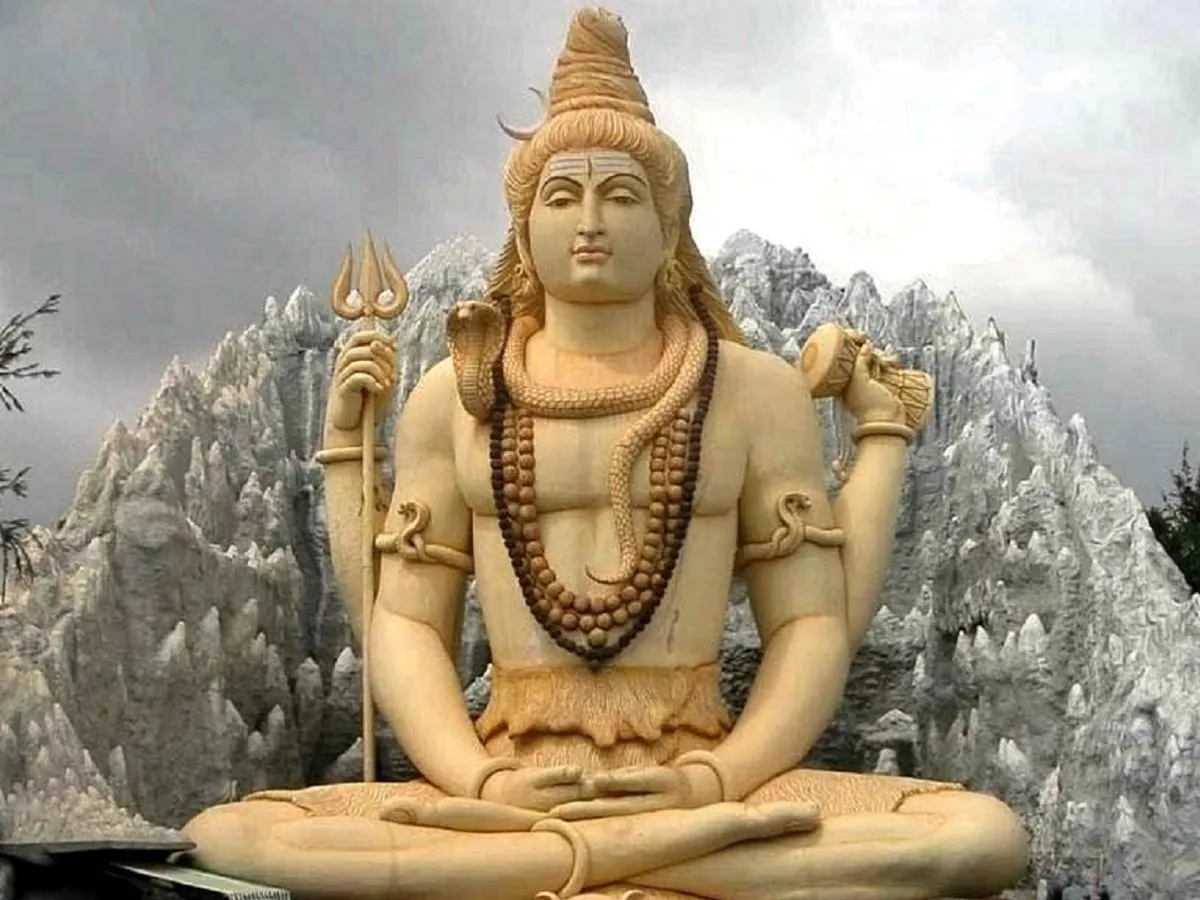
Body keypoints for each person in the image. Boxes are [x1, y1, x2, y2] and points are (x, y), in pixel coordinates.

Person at [183, 9, 1028, 899]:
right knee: (230, 835)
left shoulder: (753, 392)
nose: (590, 222)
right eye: (561, 197)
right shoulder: (453, 395)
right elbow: (403, 623)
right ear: (524, 229)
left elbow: (811, 626)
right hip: (508, 783)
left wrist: (715, 781)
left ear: (670, 230)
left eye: (621, 196)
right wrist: (479, 781)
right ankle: (674, 862)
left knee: (978, 838)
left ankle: (552, 867)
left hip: (697, 773)